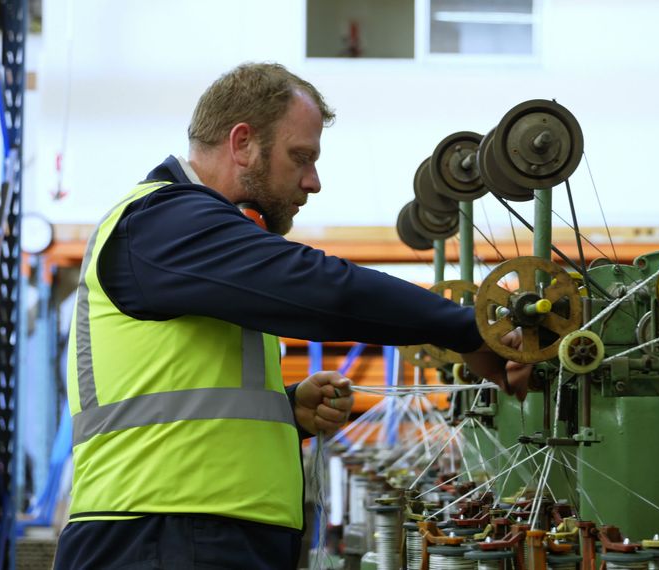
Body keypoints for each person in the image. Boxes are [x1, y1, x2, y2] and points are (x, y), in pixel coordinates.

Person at [53, 62, 529, 570]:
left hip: (184, 532)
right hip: (160, 536)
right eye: (300, 157)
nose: (313, 181)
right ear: (242, 144)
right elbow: (324, 290)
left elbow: (178, 399)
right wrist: (470, 330)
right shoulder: (163, 223)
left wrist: (285, 410)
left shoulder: (185, 242)